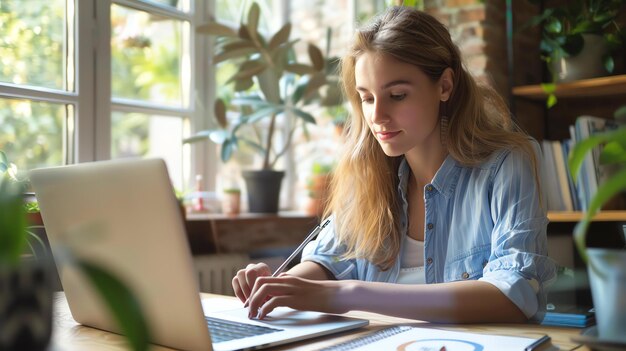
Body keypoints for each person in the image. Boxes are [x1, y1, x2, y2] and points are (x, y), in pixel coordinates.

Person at [233, 6, 556, 323]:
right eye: (367, 98)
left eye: (397, 95)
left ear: (445, 86)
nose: (377, 117)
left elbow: (514, 294)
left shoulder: (506, 165)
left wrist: (349, 294)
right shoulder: (368, 173)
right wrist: (278, 287)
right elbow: (327, 262)